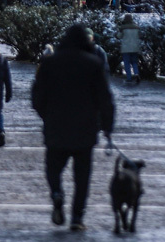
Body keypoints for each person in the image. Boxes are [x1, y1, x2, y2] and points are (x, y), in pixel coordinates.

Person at [31, 25, 116, 232]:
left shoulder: (50, 63)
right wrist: (106, 127)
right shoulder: (93, 64)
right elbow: (105, 100)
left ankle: (57, 194)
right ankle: (77, 217)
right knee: (82, 177)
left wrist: (47, 116)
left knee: (53, 169)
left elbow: (37, 97)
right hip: (85, 130)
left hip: (56, 128)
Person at [119, 14, 141, 84]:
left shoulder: (123, 28)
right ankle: (136, 73)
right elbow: (139, 36)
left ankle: (129, 78)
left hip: (126, 48)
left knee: (127, 63)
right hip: (135, 47)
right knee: (134, 62)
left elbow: (119, 36)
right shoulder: (136, 27)